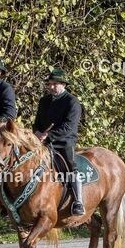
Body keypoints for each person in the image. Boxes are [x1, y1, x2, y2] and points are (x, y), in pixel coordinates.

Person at [33, 68, 86, 215]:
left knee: (70, 167)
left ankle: (78, 201)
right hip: (42, 140)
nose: (51, 87)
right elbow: (37, 122)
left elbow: (69, 127)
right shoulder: (44, 101)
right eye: (49, 84)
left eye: (54, 84)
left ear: (63, 84)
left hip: (64, 141)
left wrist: (49, 135)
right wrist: (37, 132)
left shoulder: (72, 102)